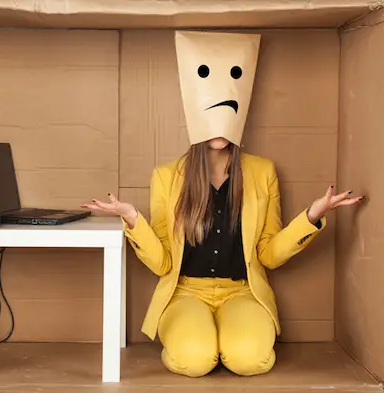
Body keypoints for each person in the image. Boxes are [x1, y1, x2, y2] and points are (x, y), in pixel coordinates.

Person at [81, 31, 365, 378]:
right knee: (195, 361)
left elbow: (268, 255)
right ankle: (203, 341)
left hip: (242, 292)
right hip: (185, 292)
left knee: (249, 360)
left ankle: (225, 341)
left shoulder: (262, 173)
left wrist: (312, 216)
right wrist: (131, 218)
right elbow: (161, 264)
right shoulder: (168, 176)